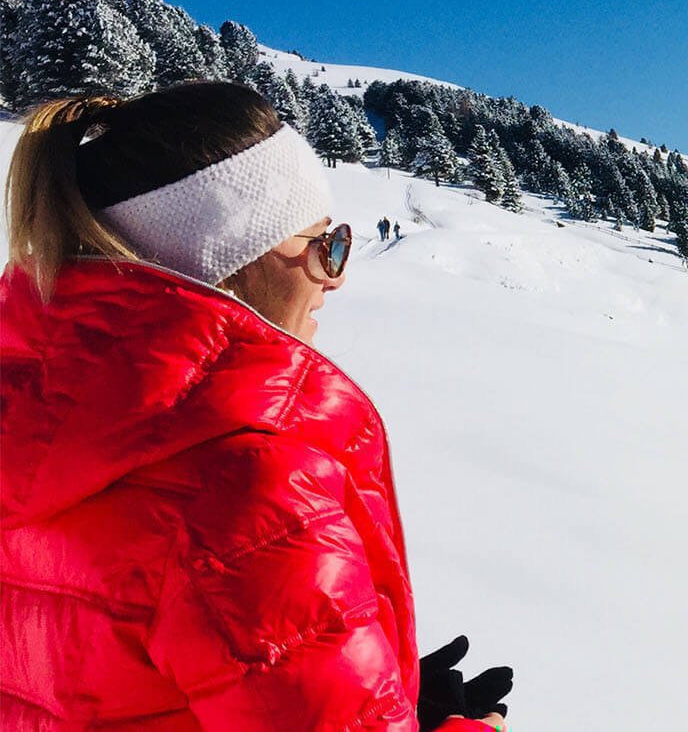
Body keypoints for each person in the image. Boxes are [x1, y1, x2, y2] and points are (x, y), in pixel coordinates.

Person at [0, 82, 509, 730]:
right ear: (229, 262)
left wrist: (375, 694)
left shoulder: (29, 427)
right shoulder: (245, 490)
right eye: (325, 244)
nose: (338, 274)